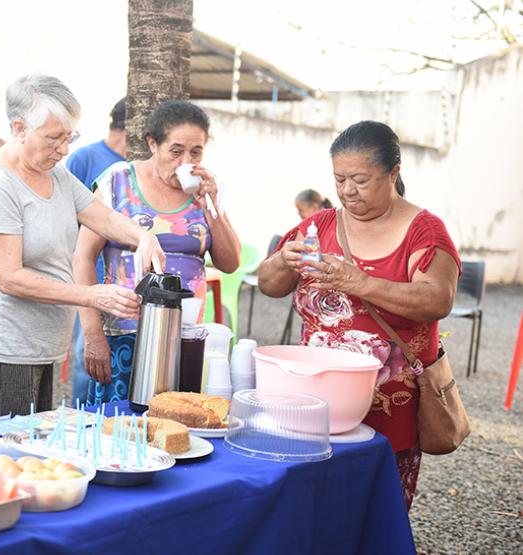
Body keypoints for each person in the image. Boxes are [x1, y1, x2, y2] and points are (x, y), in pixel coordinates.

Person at [257, 120, 460, 510]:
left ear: (394, 173)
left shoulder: (425, 231)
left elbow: (438, 299)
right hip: (311, 403)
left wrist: (360, 282)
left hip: (387, 412)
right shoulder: (318, 225)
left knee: (371, 517)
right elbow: (269, 284)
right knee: (308, 511)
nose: (347, 191)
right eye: (339, 179)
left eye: (360, 180)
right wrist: (283, 260)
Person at [0, 74, 165, 419]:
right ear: (20, 128)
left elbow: (101, 216)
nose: (64, 149)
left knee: (32, 448)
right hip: (5, 347)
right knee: (6, 452)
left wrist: (143, 236)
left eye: (69, 137)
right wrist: (91, 295)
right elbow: (10, 278)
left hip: (41, 346)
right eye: (55, 138)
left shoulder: (55, 173)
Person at [73, 100, 241, 404]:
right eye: (175, 151)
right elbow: (83, 257)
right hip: (122, 333)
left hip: (184, 337)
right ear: (153, 144)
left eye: (196, 152)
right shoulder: (118, 182)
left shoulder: (207, 190)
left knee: (175, 423)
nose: (185, 161)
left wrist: (211, 208)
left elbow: (229, 263)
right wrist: (92, 333)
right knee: (120, 428)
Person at [65, 98, 127, 405]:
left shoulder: (136, 170)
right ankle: (80, 418)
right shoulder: (84, 158)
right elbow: (64, 216)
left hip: (123, 290)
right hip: (89, 276)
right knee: (85, 353)